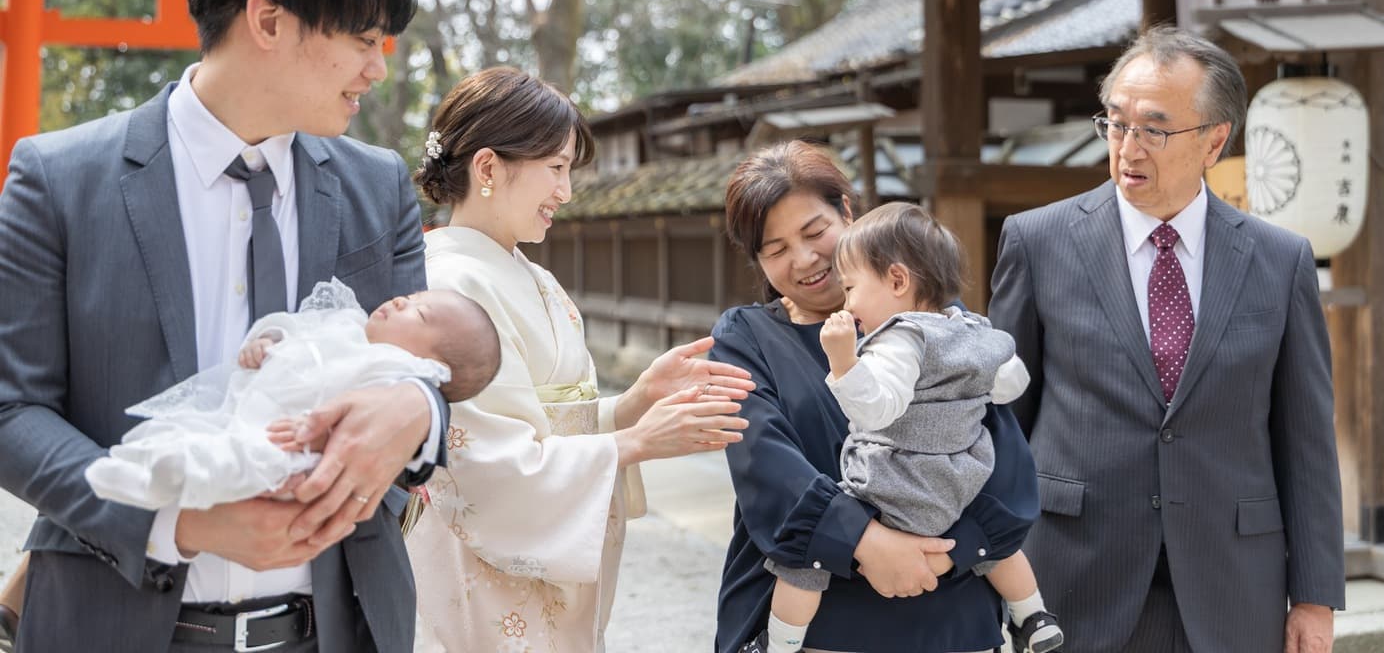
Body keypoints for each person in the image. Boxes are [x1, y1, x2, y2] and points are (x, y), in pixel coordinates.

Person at [0, 0, 453, 652]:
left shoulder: (379, 189)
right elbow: (12, 411)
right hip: (116, 627)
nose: (378, 67)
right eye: (361, 37)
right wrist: (177, 522)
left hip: (338, 630)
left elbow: (424, 368)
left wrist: (422, 412)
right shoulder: (59, 179)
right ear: (268, 18)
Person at [988, 26, 1345, 653]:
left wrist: (1314, 596)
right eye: (1116, 124)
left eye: (1155, 129)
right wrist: (987, 565)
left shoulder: (1280, 260)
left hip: (1231, 582)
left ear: (1214, 141)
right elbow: (1001, 422)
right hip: (1075, 573)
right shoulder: (1037, 242)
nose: (1129, 147)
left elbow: (1306, 440)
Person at [404, 66, 757, 653]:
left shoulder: (530, 276)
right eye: (556, 168)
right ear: (488, 168)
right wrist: (634, 443)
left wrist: (632, 403)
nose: (566, 192)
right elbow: (485, 464)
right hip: (484, 577)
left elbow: (551, 424)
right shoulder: (449, 285)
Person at [712, 141, 1040, 653]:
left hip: (949, 608)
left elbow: (1005, 456)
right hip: (818, 621)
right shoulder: (745, 337)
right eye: (774, 250)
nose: (804, 259)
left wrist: (946, 552)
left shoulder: (939, 326)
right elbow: (764, 463)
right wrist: (866, 542)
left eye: (815, 231)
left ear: (847, 211)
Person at [85, 279, 502, 512]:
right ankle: (135, 466)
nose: (399, 299)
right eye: (410, 297)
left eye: (418, 312)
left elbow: (421, 400)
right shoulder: (346, 320)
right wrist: (268, 339)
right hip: (241, 403)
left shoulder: (395, 371)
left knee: (247, 460)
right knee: (184, 427)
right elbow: (294, 324)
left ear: (433, 365)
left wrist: (422, 398)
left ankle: (170, 483)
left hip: (290, 438)